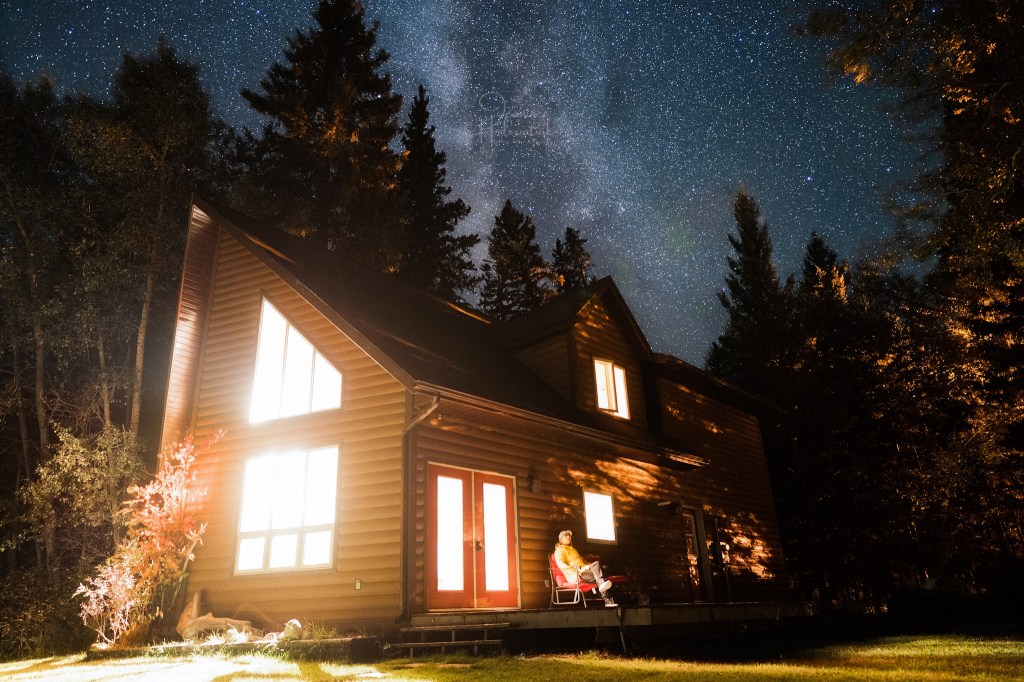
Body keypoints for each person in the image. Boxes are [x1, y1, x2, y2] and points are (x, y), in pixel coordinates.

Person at [553, 529, 616, 606]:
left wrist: (589, 565)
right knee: (601, 577)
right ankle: (607, 600)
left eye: (569, 535)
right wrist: (574, 571)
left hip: (585, 570)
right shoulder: (559, 550)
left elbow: (582, 560)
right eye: (566, 535)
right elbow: (560, 564)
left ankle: (607, 599)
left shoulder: (573, 549)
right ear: (561, 539)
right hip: (577, 574)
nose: (568, 537)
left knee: (599, 574)